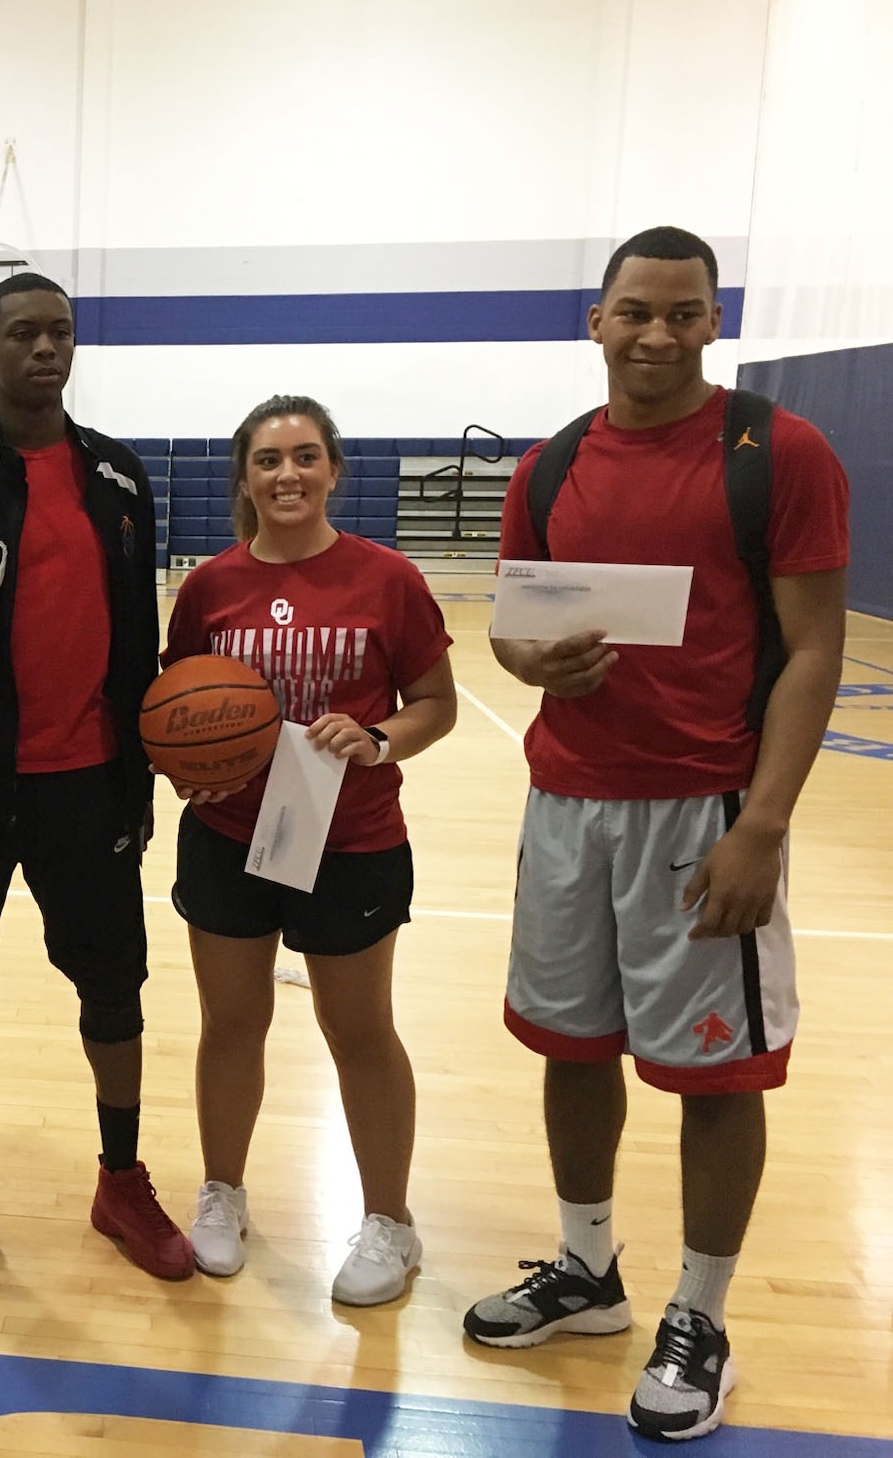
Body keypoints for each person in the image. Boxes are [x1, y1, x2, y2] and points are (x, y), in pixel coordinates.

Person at [463, 227, 849, 1443]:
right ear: (595, 320)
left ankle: (701, 1313)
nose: (655, 335)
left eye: (681, 314)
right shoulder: (553, 461)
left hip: (705, 810)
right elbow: (508, 632)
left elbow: (814, 649)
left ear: (711, 320)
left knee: (713, 1074)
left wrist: (765, 825)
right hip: (568, 802)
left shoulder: (777, 454)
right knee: (569, 1046)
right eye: (634, 311)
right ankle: (586, 1272)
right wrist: (540, 664)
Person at [0, 272, 186, 1283]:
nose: (43, 349)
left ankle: (121, 1176)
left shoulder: (123, 480)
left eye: (59, 332)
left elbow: (134, 632)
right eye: (22, 333)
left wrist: (145, 765)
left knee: (114, 986)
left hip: (90, 781)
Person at [160, 395, 456, 1306]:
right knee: (233, 1023)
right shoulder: (209, 588)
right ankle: (222, 1194)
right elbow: (177, 714)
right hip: (229, 838)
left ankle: (390, 1222)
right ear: (243, 477)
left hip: (353, 840)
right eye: (267, 459)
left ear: (334, 470)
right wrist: (187, 773)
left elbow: (434, 703)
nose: (287, 474)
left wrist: (377, 740)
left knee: (358, 1030)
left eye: (305, 456)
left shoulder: (387, 579)